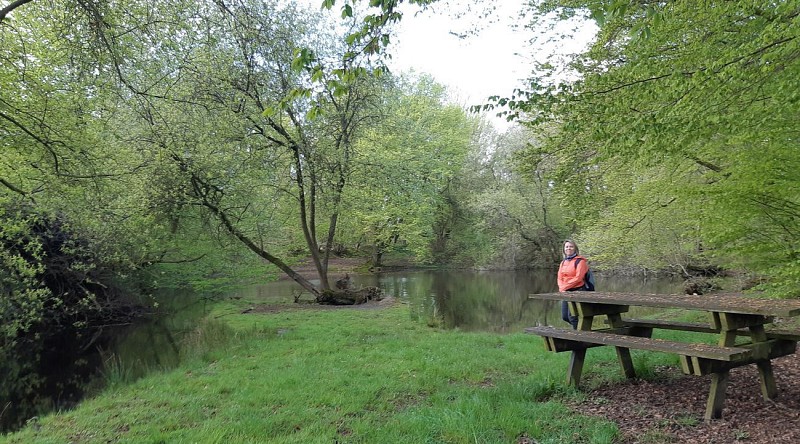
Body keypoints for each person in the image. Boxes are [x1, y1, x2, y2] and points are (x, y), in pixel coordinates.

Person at [557, 239, 589, 329]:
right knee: (565, 317)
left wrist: (564, 287)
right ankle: (581, 329)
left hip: (578, 291)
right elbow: (560, 277)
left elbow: (578, 278)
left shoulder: (580, 261)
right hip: (566, 292)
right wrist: (561, 287)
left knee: (573, 317)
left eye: (571, 246)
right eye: (567, 247)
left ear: (575, 248)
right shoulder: (563, 262)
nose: (569, 248)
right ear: (564, 249)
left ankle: (578, 338)